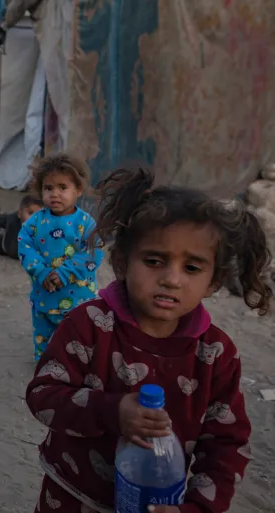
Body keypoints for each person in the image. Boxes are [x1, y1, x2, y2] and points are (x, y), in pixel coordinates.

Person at [25, 167, 268, 513]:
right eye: (154, 261)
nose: (171, 279)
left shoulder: (215, 354)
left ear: (214, 281)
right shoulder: (88, 325)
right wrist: (112, 410)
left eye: (192, 268)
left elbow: (227, 445)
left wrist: (196, 508)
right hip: (71, 496)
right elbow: (43, 396)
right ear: (123, 263)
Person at [18, 153, 103, 360]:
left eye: (62, 187)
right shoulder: (35, 223)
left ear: (78, 190)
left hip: (78, 298)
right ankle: (46, 367)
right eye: (48, 188)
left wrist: (65, 273)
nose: (54, 194)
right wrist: (41, 271)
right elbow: (24, 245)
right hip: (44, 295)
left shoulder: (86, 223)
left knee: (79, 339)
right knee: (44, 342)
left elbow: (93, 252)